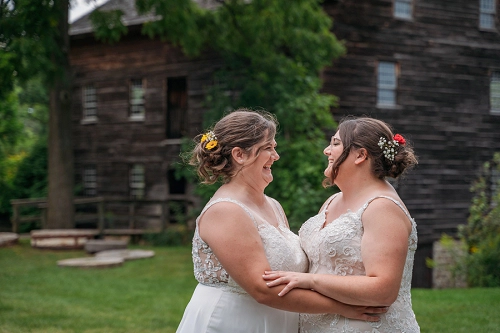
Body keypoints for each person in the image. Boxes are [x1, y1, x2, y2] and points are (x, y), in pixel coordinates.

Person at [176, 110, 388, 333]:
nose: (275, 156)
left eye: (274, 147)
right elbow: (262, 289)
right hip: (234, 321)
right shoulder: (225, 211)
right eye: (268, 148)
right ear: (240, 155)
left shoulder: (273, 205)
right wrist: (342, 307)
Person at [263, 116, 420, 332]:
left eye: (336, 143)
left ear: (360, 155)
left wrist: (310, 281)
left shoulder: (382, 207)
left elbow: (383, 289)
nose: (327, 150)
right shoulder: (332, 201)